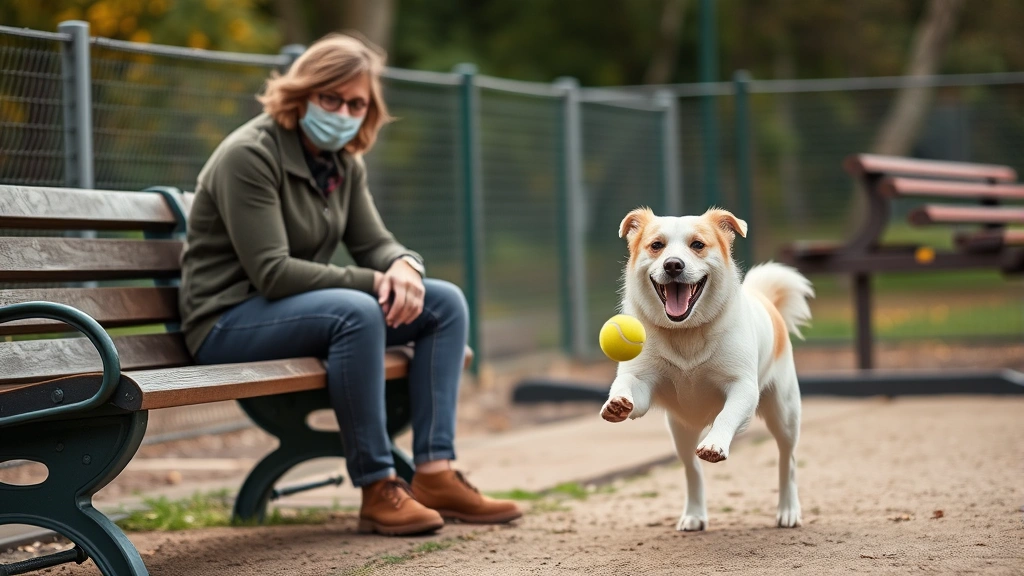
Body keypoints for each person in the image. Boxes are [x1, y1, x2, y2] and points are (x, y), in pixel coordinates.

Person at [178, 33, 520, 536]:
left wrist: (404, 265)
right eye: (330, 98)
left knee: (443, 302)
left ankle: (434, 472)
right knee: (354, 312)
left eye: (355, 103)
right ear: (302, 95)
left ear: (369, 110)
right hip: (226, 320)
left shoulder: (342, 163)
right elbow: (273, 272)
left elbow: (375, 242)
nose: (342, 112)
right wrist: (378, 279)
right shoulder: (249, 155)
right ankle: (377, 486)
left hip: (287, 312)